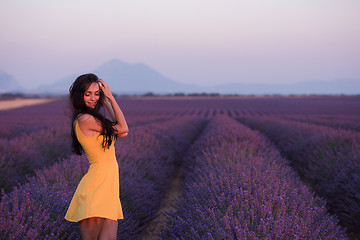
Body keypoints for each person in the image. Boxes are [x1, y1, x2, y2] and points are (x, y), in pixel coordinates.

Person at [65, 73, 128, 240]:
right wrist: (111, 98)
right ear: (80, 95)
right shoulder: (85, 119)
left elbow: (122, 131)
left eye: (96, 93)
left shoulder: (92, 118)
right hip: (97, 187)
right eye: (88, 94)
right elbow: (122, 128)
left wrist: (106, 101)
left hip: (108, 186)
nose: (93, 98)